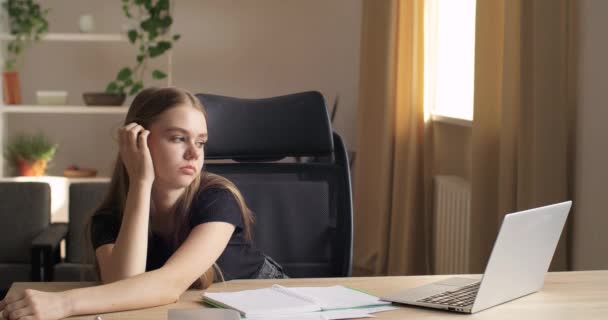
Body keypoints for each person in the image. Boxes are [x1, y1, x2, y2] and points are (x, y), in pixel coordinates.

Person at [0, 87, 287, 320]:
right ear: (138, 142)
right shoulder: (109, 217)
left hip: (272, 302)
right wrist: (140, 181)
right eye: (178, 138)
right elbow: (123, 288)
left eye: (200, 142)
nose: (193, 153)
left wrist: (63, 304)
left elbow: (169, 285)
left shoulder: (217, 198)